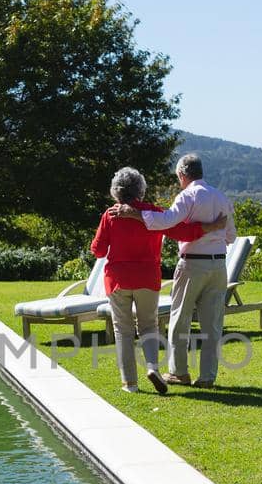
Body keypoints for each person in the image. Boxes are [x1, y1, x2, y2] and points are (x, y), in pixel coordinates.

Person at [89, 166, 225, 394]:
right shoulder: (152, 213)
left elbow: (99, 251)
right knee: (149, 327)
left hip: (117, 280)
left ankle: (130, 384)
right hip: (147, 278)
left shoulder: (110, 215)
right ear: (140, 190)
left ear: (116, 192)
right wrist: (211, 227)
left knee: (122, 330)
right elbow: (183, 232)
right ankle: (152, 367)